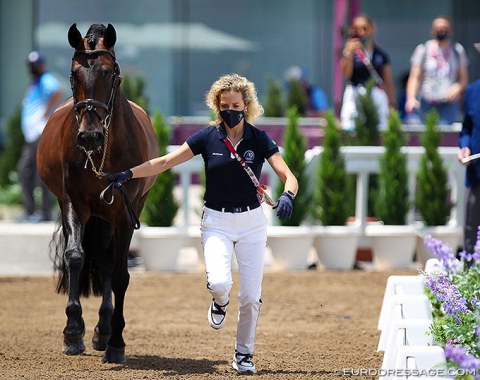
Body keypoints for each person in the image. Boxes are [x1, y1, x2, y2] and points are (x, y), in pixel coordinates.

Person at [107, 74, 298, 374]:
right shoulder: (207, 137)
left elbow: (288, 174)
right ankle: (219, 302)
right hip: (217, 221)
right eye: (224, 105)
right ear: (217, 106)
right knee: (220, 283)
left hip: (251, 223)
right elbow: (164, 162)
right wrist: (128, 174)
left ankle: (243, 354)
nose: (230, 110)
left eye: (235, 104)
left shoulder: (259, 140)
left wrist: (288, 194)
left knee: (250, 296)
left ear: (246, 105)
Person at [17, 51, 63, 222]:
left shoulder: (46, 79)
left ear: (41, 65)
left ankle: (44, 213)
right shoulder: (35, 83)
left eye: (35, 65)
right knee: (25, 170)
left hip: (40, 133)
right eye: (30, 66)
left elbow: (57, 91)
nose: (32, 68)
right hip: (31, 135)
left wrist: (46, 112)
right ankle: (29, 211)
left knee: (41, 173)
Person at [405, 16, 469, 125]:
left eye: (445, 28)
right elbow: (415, 77)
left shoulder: (457, 50)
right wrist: (411, 98)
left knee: (445, 137)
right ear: (432, 31)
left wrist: (457, 88)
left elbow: (463, 79)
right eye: (438, 28)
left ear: (451, 31)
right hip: (427, 101)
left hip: (448, 103)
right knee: (426, 136)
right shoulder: (423, 49)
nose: (442, 31)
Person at [340, 14, 396, 131]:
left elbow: (388, 81)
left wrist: (392, 104)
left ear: (372, 29)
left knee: (380, 129)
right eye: (357, 29)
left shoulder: (380, 54)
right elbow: (346, 74)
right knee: (351, 128)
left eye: (364, 28)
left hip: (376, 94)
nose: (361, 32)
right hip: (355, 93)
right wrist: (348, 54)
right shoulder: (349, 52)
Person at [457, 43, 480, 256]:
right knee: (471, 231)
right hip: (477, 174)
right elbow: (466, 129)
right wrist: (464, 147)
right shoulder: (472, 91)